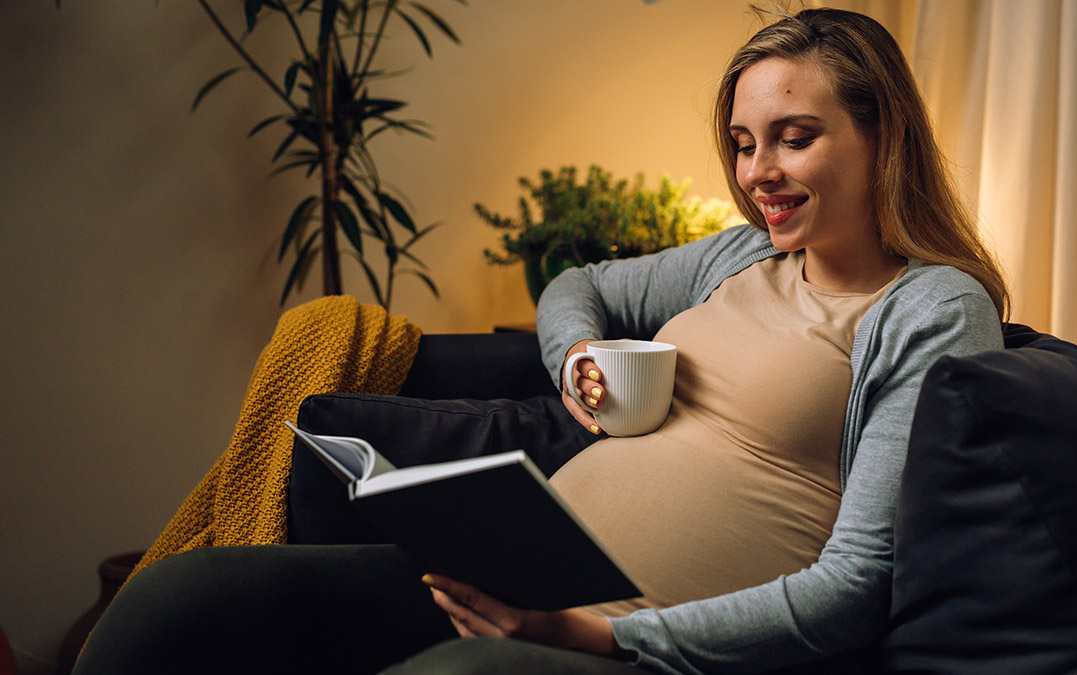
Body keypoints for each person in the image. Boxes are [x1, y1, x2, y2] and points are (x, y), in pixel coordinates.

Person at [72, 7, 1008, 675]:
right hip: (506, 587)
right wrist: (573, 359)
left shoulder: (931, 306)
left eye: (794, 138)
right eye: (742, 141)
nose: (758, 171)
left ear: (884, 138)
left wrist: (590, 636)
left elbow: (854, 586)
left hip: (629, 644)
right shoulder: (742, 255)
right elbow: (579, 286)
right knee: (176, 603)